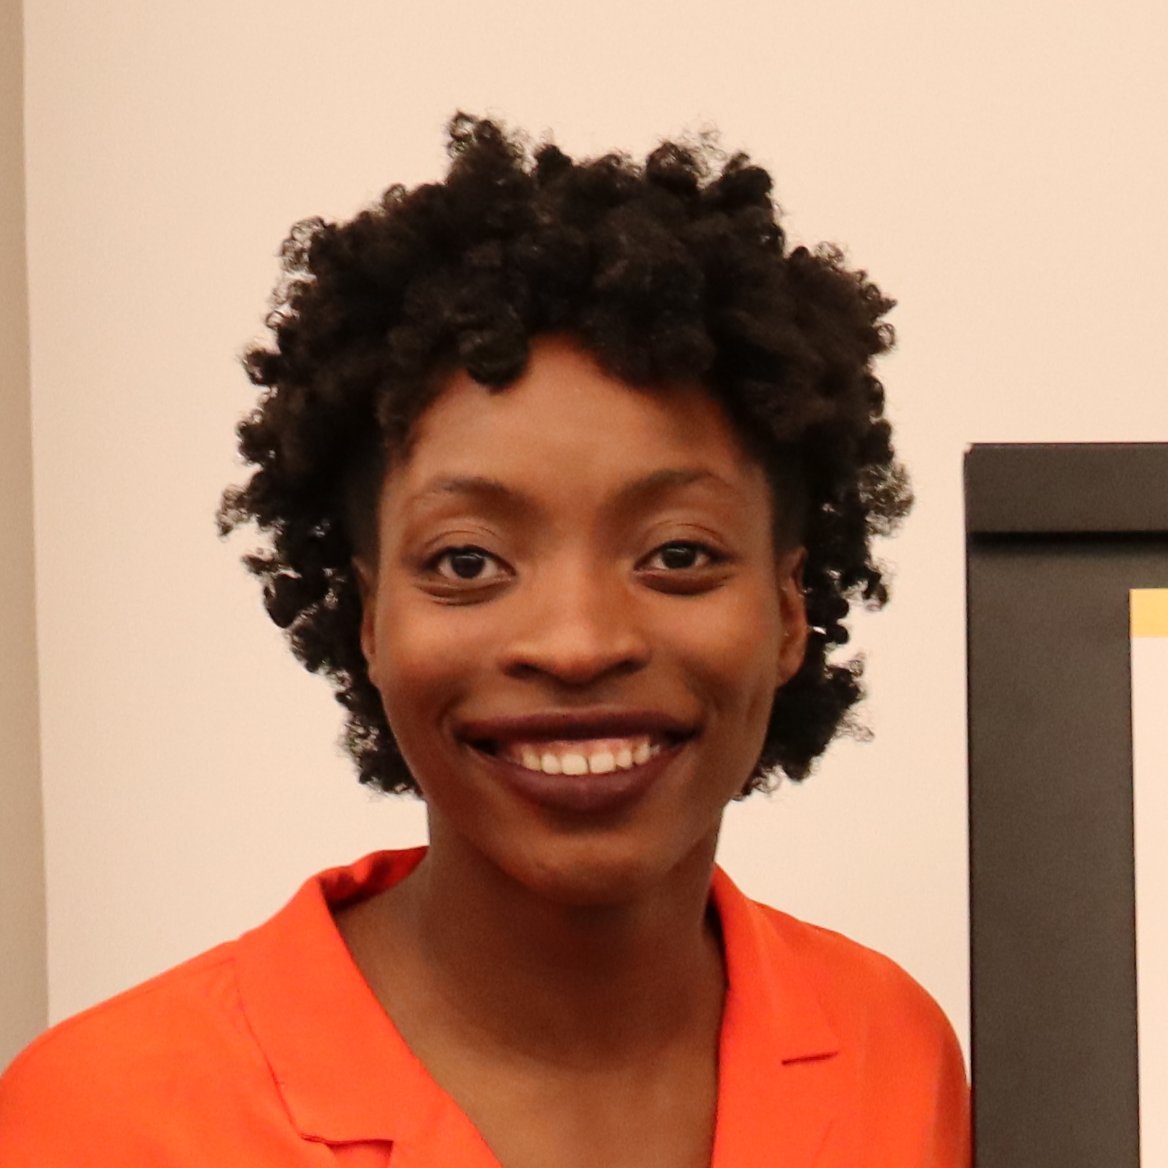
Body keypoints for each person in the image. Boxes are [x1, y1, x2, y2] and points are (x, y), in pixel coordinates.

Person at [0, 114, 969, 1167]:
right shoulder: (98, 1120)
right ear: (368, 616)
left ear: (788, 609)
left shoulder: (897, 1057)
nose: (577, 641)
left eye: (678, 554)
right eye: (467, 562)